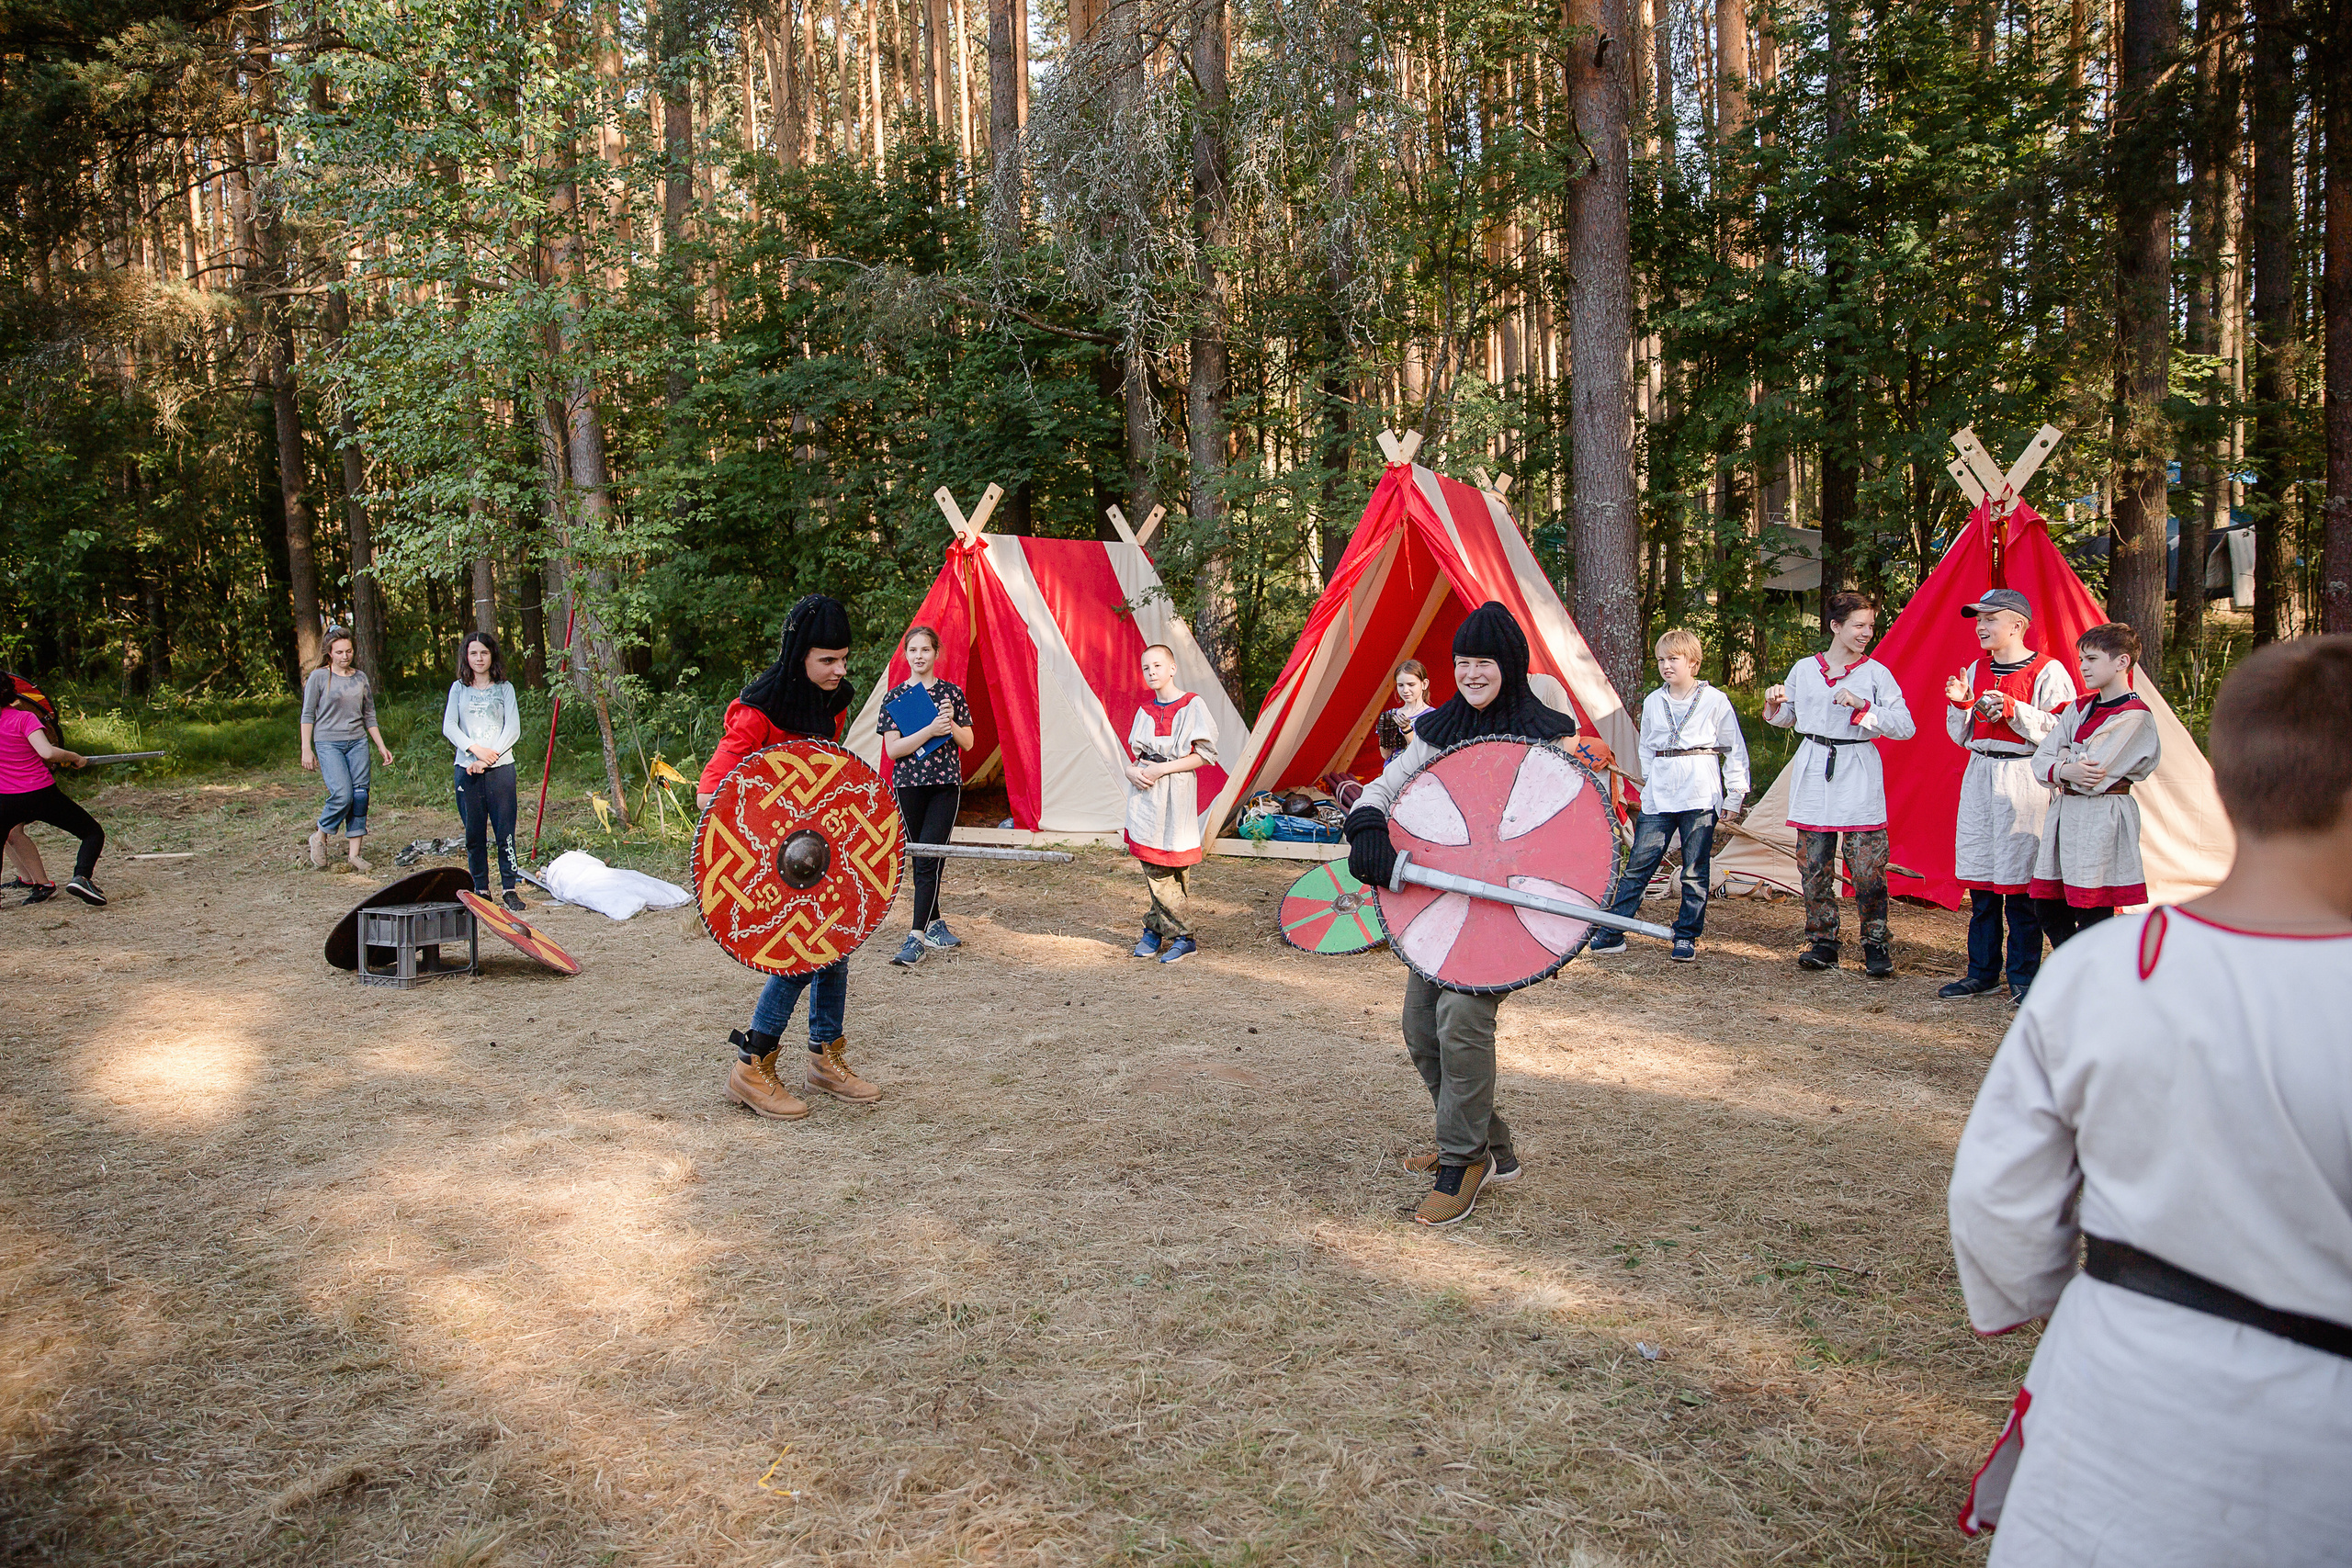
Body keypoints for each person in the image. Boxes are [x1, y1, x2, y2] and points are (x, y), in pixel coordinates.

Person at [1945, 635, 2352, 1563]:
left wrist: (2060, 1304)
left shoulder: (2102, 969)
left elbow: (1997, 1202)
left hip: (2116, 1385)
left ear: (2229, 783)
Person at [1344, 601, 1575, 1227]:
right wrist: (1367, 825)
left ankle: (1462, 1158)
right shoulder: (1437, 729)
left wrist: (1558, 929)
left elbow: (1570, 837)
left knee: (1462, 1015)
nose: (1472, 673)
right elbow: (1384, 789)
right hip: (1447, 907)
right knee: (1422, 1025)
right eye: (1462, 662)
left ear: (1509, 665)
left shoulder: (1547, 735)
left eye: (1484, 662)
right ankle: (1493, 1149)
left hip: (1511, 911)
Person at [695, 594, 880, 1120]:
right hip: (763, 859)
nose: (838, 670)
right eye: (827, 659)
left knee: (838, 938)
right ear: (800, 654)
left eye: (844, 658)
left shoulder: (833, 701)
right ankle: (750, 1065)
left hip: (816, 848)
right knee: (799, 951)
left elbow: (824, 774)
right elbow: (714, 791)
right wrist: (759, 829)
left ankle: (824, 1057)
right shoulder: (761, 708)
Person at [1763, 591, 1916, 976]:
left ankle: (1875, 942)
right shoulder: (1803, 669)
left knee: (1867, 867)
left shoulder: (1876, 674)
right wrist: (1774, 704)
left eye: (1870, 626)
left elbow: (1905, 726)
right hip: (1815, 766)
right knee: (1813, 865)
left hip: (1858, 769)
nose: (1867, 633)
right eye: (1859, 626)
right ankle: (1823, 940)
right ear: (1836, 626)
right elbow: (1789, 719)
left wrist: (1865, 707)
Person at [1939, 588, 2077, 1004]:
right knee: (1981, 880)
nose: (1980, 626)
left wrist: (2015, 710)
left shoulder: (2049, 671)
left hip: (2024, 777)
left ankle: (2022, 975)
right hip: (1981, 773)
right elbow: (1960, 736)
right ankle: (1981, 971)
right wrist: (1960, 705)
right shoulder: (1975, 670)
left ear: (2017, 624)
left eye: (1990, 618)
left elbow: (2061, 731)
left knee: (2020, 884)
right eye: (1978, 619)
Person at [1589, 629, 1750, 963]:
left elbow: (1735, 750)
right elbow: (1646, 745)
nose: (1666, 666)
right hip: (1661, 795)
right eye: (1661, 659)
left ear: (1692, 661)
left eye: (1673, 659)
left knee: (1694, 869)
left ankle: (1686, 935)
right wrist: (1651, 781)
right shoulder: (1653, 701)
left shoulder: (1714, 700)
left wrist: (1734, 794)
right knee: (1638, 865)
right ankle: (1613, 929)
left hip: (1700, 792)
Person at [2026, 623, 2160, 949]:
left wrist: (2064, 757)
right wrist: (2068, 764)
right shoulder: (2079, 708)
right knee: (2048, 904)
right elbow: (2040, 761)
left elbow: (2094, 777)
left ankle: (2093, 982)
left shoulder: (2134, 717)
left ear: (2121, 662)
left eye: (2092, 658)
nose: (2083, 666)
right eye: (2081, 658)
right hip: (2067, 816)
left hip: (2103, 817)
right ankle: (2079, 967)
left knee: (2092, 908)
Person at [876, 625, 975, 967]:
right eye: (913, 650)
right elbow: (893, 750)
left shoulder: (952, 694)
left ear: (937, 653)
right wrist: (929, 730)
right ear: (906, 655)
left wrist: (950, 724)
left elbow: (968, 743)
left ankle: (916, 936)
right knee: (920, 857)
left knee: (931, 855)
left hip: (945, 785)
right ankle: (934, 924)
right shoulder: (895, 698)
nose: (919, 656)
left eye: (926, 650)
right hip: (908, 786)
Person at [1124, 644, 1219, 964]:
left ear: (1172, 668)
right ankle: (1177, 934)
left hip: (1175, 792)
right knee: (1156, 867)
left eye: (1157, 666)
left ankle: (1159, 930)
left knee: (1175, 867)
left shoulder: (1192, 705)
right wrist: (1130, 771)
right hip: (1146, 796)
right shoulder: (1143, 711)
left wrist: (1163, 767)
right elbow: (1135, 757)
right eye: (1146, 668)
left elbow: (1205, 755)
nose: (1151, 673)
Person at [300, 628, 395, 874]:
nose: (345, 656)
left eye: (349, 651)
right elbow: (308, 714)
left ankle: (354, 855)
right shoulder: (319, 678)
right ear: (329, 653)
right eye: (339, 652)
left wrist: (381, 745)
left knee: (360, 795)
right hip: (328, 743)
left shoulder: (360, 678)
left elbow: (369, 715)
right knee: (343, 794)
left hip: (358, 743)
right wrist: (306, 748)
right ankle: (320, 835)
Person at [442, 631, 526, 913]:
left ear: (492, 656)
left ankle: (510, 888)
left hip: (500, 769)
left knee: (505, 832)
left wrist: (489, 759)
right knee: (474, 834)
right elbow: (450, 727)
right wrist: (475, 751)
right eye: (474, 653)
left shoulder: (505, 688)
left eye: (484, 653)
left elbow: (512, 729)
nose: (479, 658)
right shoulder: (458, 689)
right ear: (466, 657)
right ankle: (481, 889)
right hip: (467, 770)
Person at [0, 686, 106, 906]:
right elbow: (47, 752)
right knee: (92, 832)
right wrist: (75, 757)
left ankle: (41, 885)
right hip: (41, 793)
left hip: (6, 798)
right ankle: (81, 877)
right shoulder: (24, 718)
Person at [1375, 660, 1433, 761]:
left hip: (1418, 773)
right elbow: (1386, 755)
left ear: (1424, 684)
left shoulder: (1432, 716)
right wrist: (1386, 737)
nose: (1405, 690)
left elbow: (1423, 753)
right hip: (1394, 770)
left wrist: (1407, 730)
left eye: (1411, 685)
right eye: (1401, 685)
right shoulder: (1391, 715)